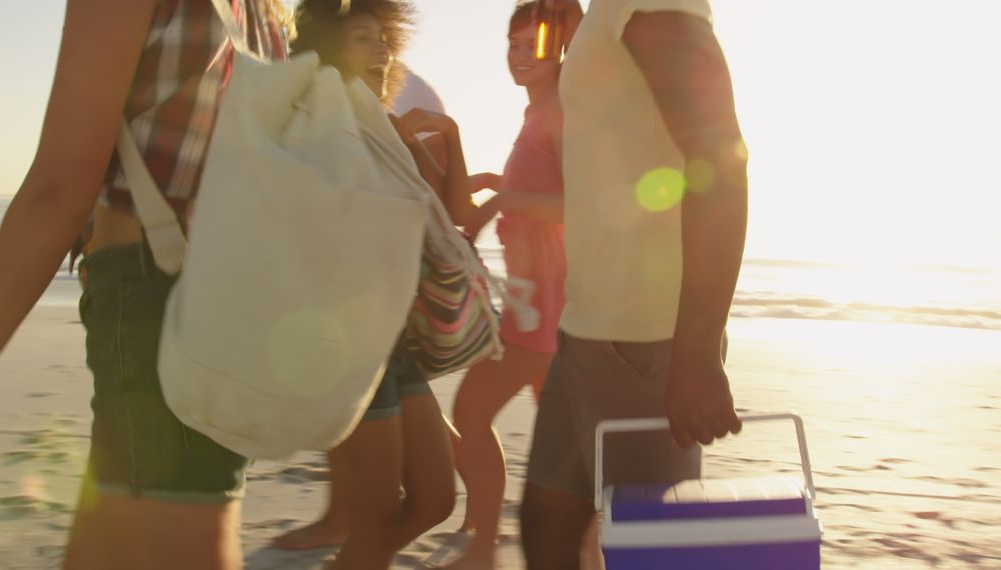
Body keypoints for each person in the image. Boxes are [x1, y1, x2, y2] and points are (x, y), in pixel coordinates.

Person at [0, 1, 286, 569]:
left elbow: (58, 190)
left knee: (174, 543)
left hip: (158, 294)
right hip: (235, 291)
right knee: (114, 542)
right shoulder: (263, 9)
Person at [518, 0, 749, 569]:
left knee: (648, 553)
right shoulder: (607, 14)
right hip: (584, 332)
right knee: (545, 531)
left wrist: (695, 353)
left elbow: (720, 162)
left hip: (646, 346)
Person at [281, 1, 477, 568]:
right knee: (371, 518)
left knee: (435, 499)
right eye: (363, 38)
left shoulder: (384, 126)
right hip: (347, 339)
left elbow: (451, 211)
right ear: (325, 49)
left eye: (383, 38)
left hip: (394, 337)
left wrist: (450, 137)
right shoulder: (310, 125)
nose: (383, 50)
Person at [441, 3, 573, 568]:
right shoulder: (536, 113)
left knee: (470, 412)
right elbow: (542, 187)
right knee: (564, 449)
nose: (521, 57)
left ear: (561, 48)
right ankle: (575, 552)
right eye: (513, 45)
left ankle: (485, 547)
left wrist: (501, 199)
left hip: (542, 308)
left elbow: (582, 203)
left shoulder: (560, 111)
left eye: (534, 45)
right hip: (533, 303)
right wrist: (496, 181)